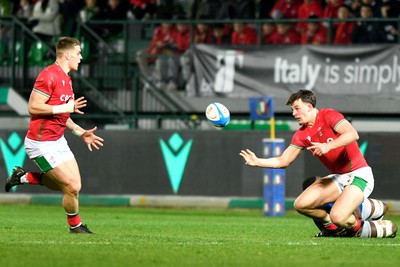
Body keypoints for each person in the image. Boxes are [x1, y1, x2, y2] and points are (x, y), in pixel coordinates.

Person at [240, 89, 377, 237]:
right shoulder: (301, 134)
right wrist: (257, 161)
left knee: (339, 216)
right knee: (301, 205)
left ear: (310, 107)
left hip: (359, 174)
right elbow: (283, 161)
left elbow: (352, 134)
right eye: (292, 110)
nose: (294, 113)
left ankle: (363, 226)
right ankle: (332, 226)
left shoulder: (329, 115)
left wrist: (327, 146)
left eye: (297, 108)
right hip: (338, 177)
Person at [4, 37, 104, 234]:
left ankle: (22, 177)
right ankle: (75, 226)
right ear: (67, 55)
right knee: (71, 186)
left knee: (73, 186)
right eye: (78, 53)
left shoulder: (66, 79)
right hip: (40, 143)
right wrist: (67, 106)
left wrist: (80, 132)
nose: (81, 57)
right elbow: (33, 107)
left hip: (57, 140)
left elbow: (61, 116)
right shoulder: (48, 75)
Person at [303, 176, 397, 238]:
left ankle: (373, 223)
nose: (324, 183)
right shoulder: (315, 209)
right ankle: (369, 228)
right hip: (353, 226)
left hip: (359, 210)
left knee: (383, 207)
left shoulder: (330, 190)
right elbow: (333, 229)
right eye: (319, 184)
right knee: (392, 228)